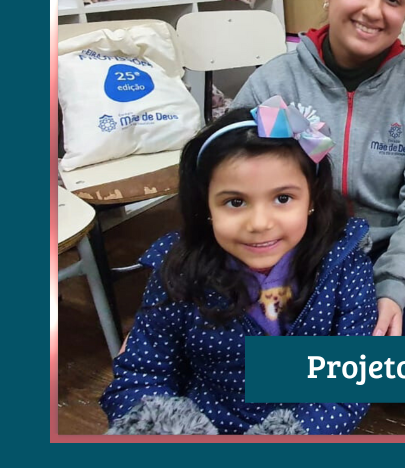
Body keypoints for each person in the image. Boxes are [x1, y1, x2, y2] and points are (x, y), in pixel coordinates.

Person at [232, 0, 405, 346]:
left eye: (393, 0)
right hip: (296, 251)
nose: (374, 11)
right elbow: (227, 181)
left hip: (391, 246)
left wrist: (395, 287)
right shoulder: (273, 83)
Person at [101, 98, 377, 435]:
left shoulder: (345, 264)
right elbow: (142, 375)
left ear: (312, 200)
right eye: (235, 202)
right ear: (206, 206)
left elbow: (352, 380)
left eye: (283, 198)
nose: (259, 223)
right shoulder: (178, 270)